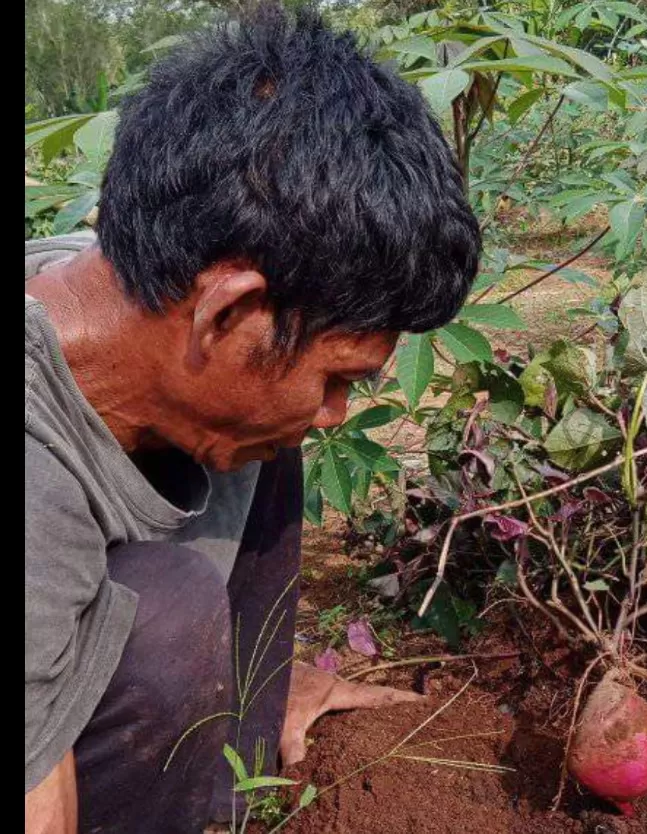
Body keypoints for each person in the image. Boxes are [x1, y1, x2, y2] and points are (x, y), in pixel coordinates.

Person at [24, 4, 480, 833]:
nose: (342, 414)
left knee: (271, 428)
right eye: (344, 376)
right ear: (229, 310)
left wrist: (262, 688)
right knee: (165, 617)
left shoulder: (115, 290)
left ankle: (223, 781)